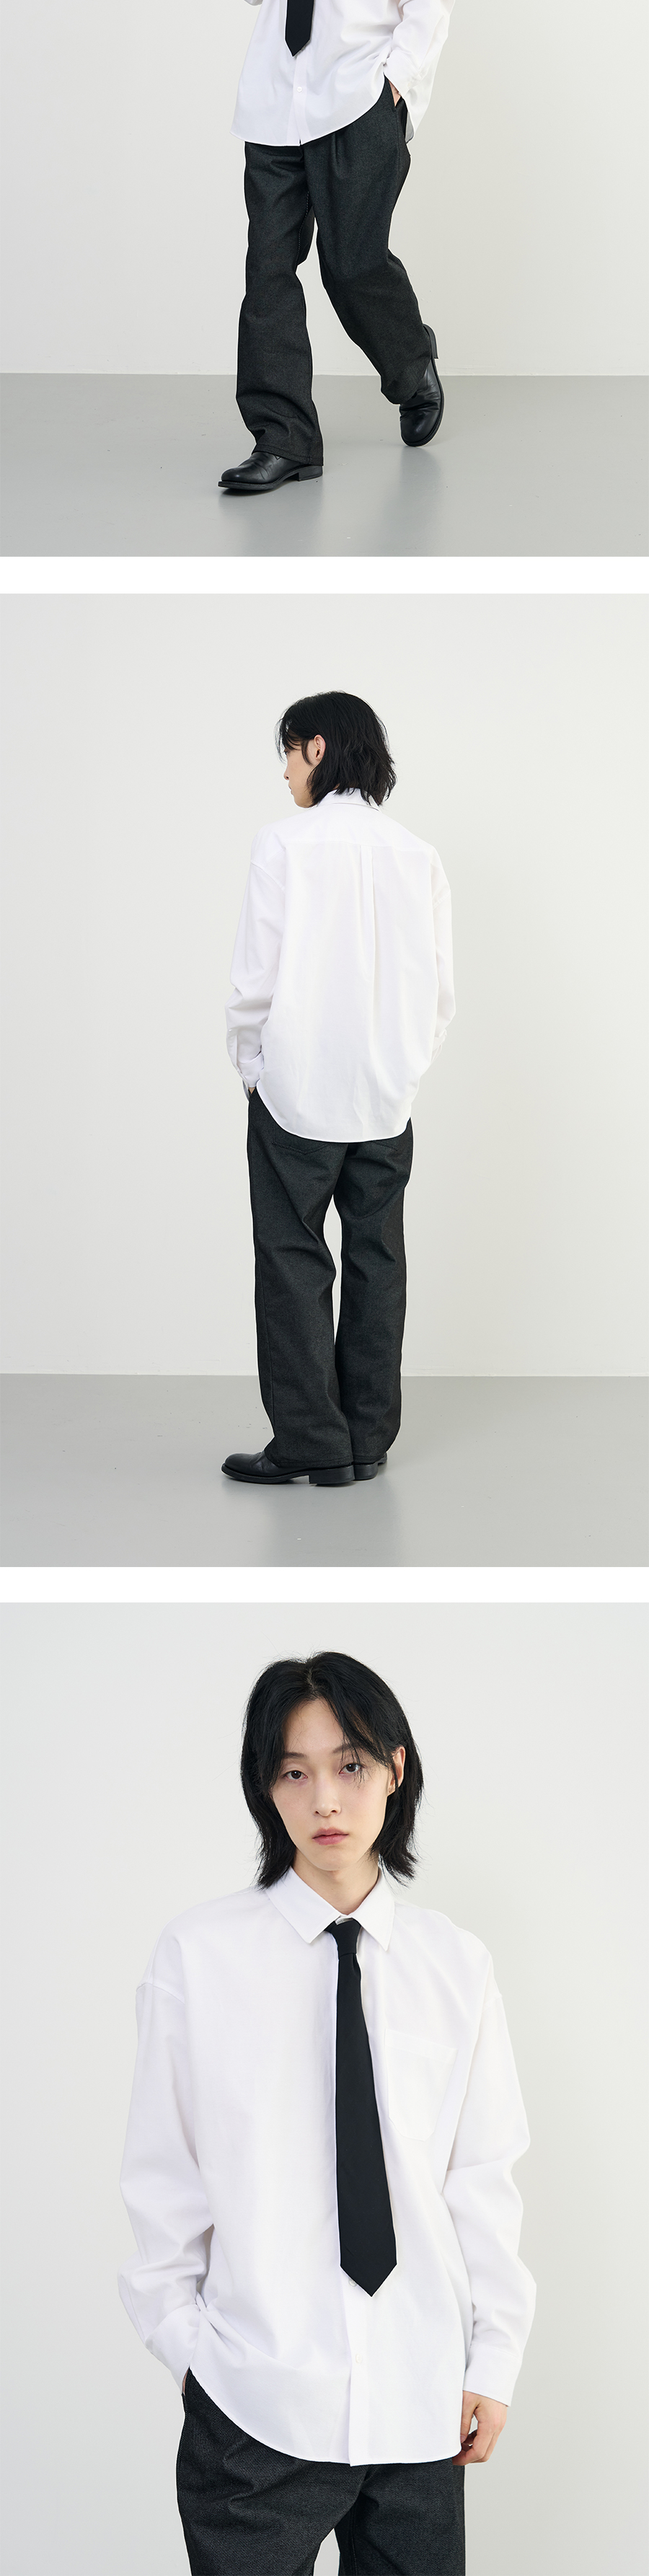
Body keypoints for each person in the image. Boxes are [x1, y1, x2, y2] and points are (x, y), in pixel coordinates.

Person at [119, 1642, 536, 2576]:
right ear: (264, 1789)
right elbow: (163, 2173)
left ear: (395, 1769)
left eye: (349, 1766)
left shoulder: (455, 1964)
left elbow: (481, 2176)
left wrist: (494, 2359)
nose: (325, 1802)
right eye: (293, 1773)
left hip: (423, 2401)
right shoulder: (198, 1957)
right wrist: (196, 2353)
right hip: (256, 2406)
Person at [222, 686, 455, 1487]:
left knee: (292, 1257)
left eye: (289, 753)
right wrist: (406, 1070)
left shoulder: (283, 844)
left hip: (297, 1090)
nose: (285, 772)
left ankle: (311, 1442)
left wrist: (252, 1069)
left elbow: (255, 982)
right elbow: (440, 993)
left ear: (316, 748)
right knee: (377, 1257)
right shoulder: (417, 853)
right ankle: (367, 1439)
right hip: (387, 1097)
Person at [220, 0, 453, 498]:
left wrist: (397, 84)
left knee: (352, 264)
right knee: (268, 273)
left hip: (358, 96)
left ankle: (411, 363)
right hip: (273, 102)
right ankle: (283, 439)